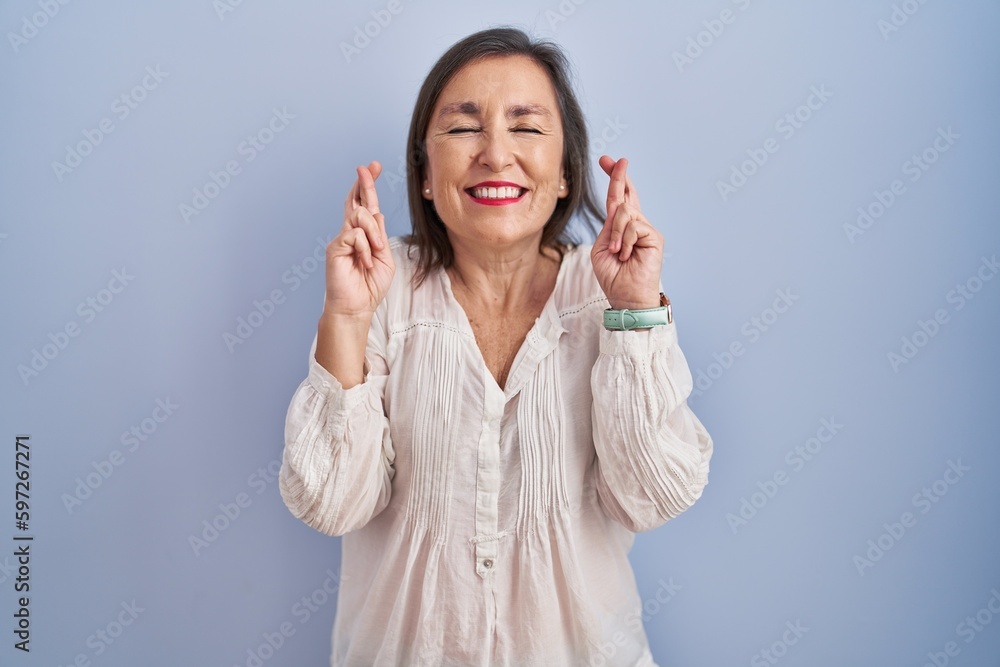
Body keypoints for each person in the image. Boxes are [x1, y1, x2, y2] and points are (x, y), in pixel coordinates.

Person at [279, 26, 713, 667]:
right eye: (462, 129)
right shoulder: (381, 290)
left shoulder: (610, 294)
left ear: (566, 173)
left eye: (527, 127)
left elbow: (651, 495)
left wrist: (635, 311)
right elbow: (331, 502)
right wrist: (345, 315)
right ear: (425, 176)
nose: (495, 154)